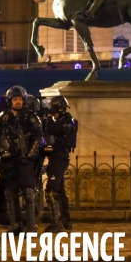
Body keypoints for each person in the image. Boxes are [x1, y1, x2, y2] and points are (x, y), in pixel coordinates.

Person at [0, 86, 43, 234]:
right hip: (10, 161)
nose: (18, 102)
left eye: (20, 99)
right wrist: (4, 151)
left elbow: (38, 137)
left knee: (28, 194)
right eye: (15, 99)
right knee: (11, 194)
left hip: (25, 160)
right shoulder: (3, 117)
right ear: (10, 101)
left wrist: (29, 155)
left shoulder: (31, 116)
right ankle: (16, 225)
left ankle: (31, 227)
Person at [43, 96, 77, 232]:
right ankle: (65, 220)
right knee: (60, 190)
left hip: (60, 158)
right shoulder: (59, 121)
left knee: (51, 190)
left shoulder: (68, 121)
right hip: (55, 158)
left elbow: (52, 131)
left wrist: (49, 118)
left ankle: (56, 223)